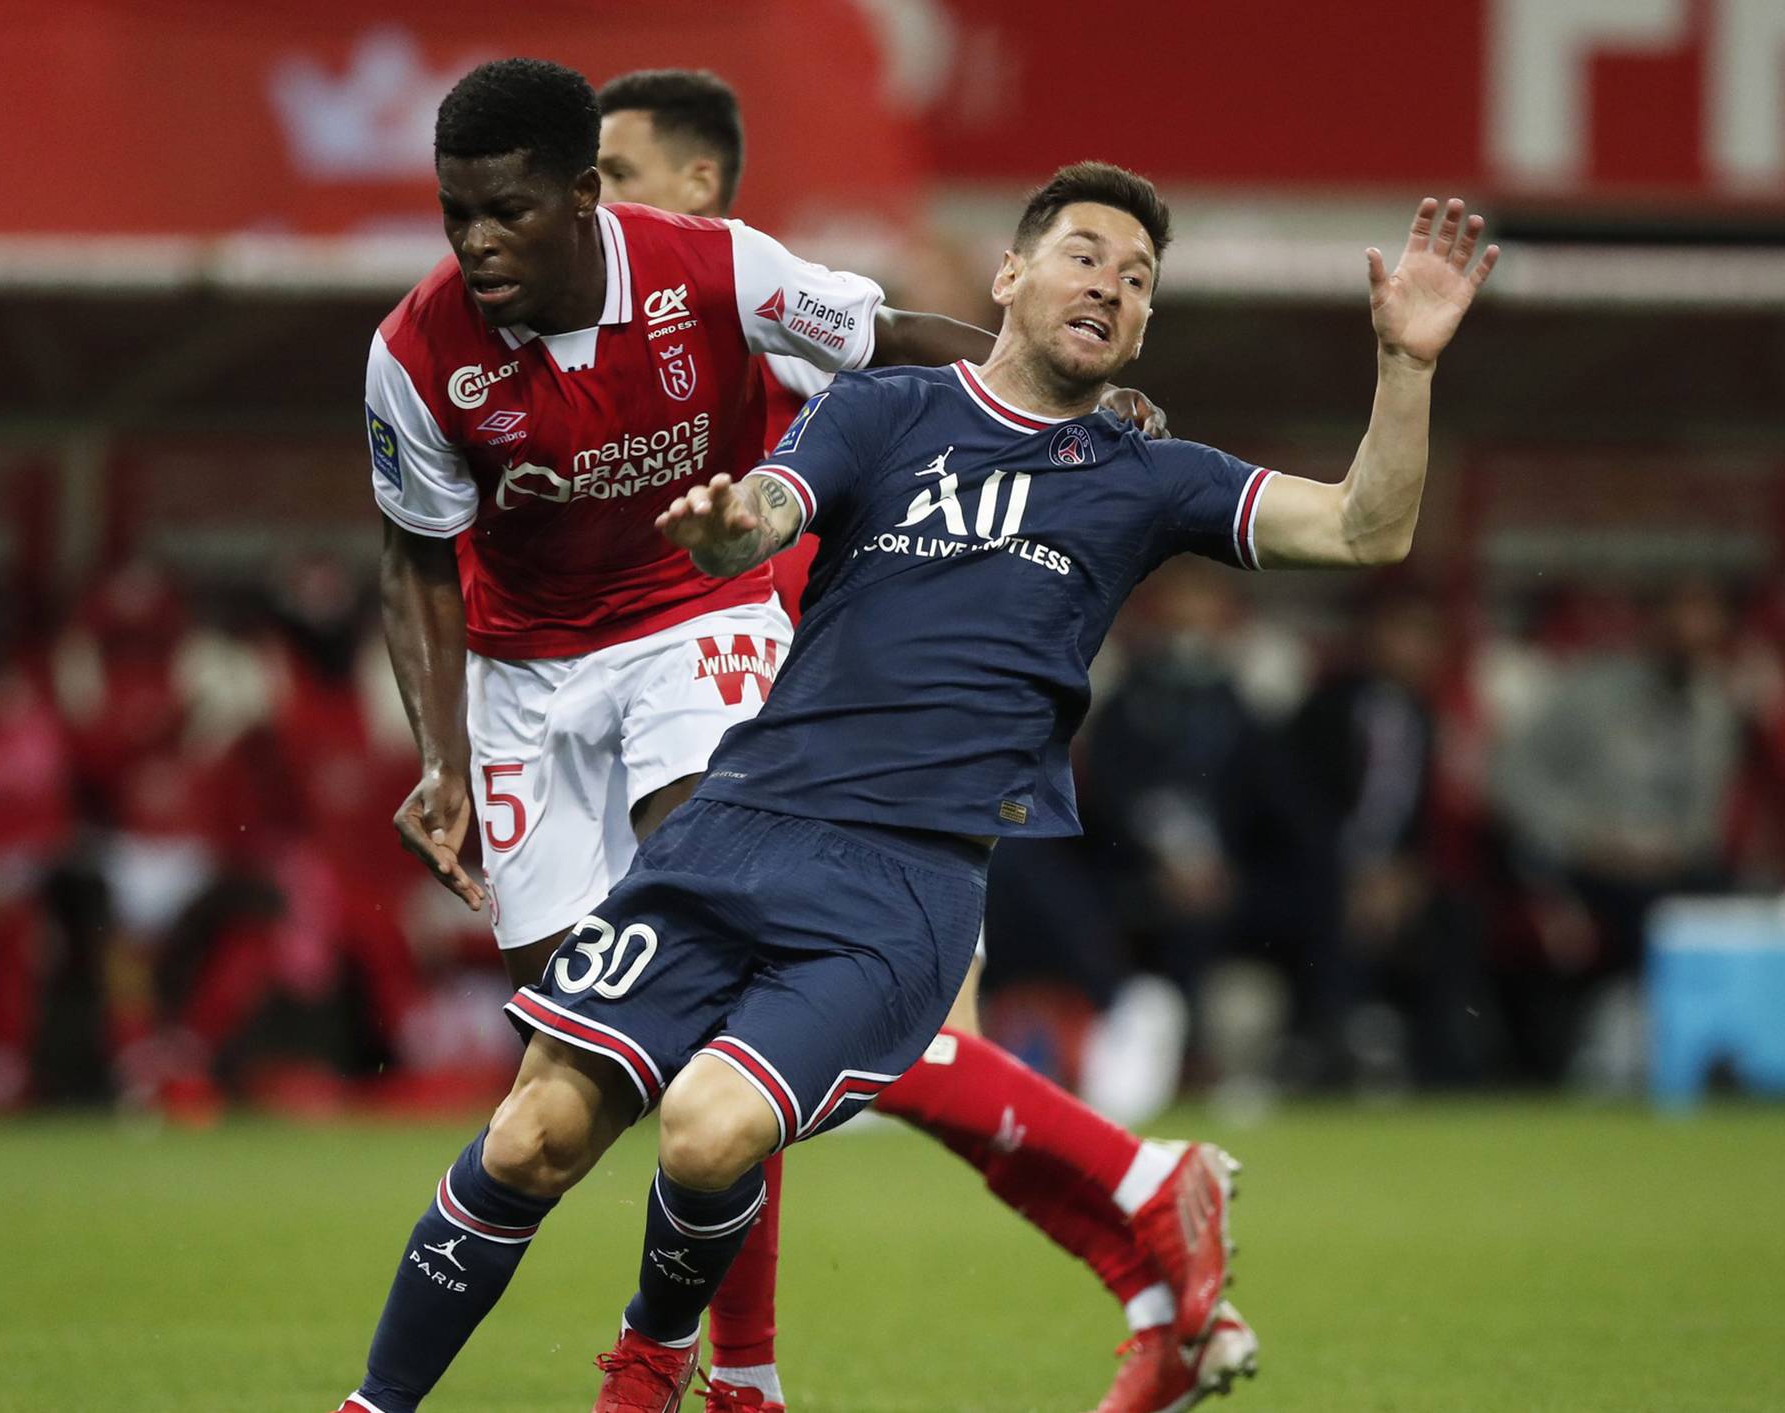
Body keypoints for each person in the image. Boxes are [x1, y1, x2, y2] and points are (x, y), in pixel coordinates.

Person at [327, 155, 1497, 1413]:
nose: (1110, 284)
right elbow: (772, 507)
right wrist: (730, 527)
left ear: (1147, 326)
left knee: (709, 1127)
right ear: (1011, 275)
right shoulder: (886, 411)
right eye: (1085, 255)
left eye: (1139, 279)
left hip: (904, 879)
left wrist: (1408, 367)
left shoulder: (1152, 479)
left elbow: (1366, 528)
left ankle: (653, 1365)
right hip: (734, 826)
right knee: (532, 1134)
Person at [354, 52, 1181, 1413]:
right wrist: (442, 755)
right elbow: (414, 557)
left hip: (704, 618)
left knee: (733, 961)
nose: (477, 242)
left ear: (610, 196)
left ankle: (718, 1360)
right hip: (526, 679)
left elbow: (902, 337)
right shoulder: (415, 353)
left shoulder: (718, 270)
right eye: (457, 216)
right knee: (582, 1083)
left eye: (513, 209)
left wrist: (1058, 395)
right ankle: (737, 1366)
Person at [596, 68, 1237, 1413]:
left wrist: (1082, 410)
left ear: (699, 187)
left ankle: (1137, 1195)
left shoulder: (746, 290)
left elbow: (927, 341)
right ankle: (1136, 1264)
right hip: (793, 698)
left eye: (615, 176)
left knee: (852, 1051)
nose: (591, 206)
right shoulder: (595, 317)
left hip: (807, 703)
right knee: (791, 1065)